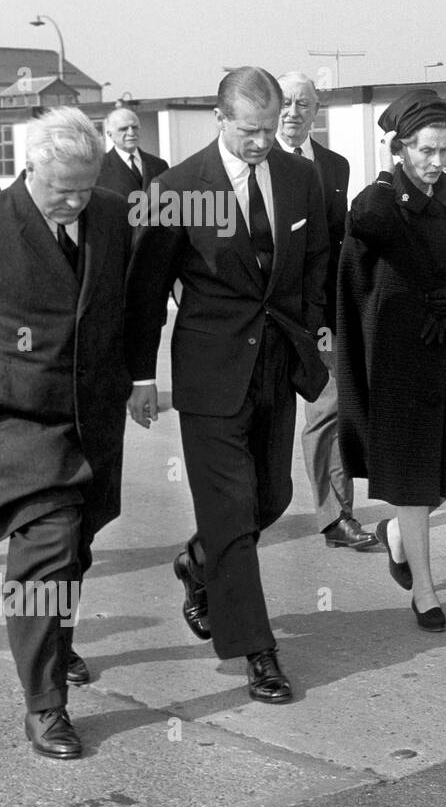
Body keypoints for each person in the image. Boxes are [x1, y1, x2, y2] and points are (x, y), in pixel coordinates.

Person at [126, 67, 329, 704]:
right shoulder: (178, 189)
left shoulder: (300, 178)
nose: (262, 142)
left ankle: (198, 561)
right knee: (230, 515)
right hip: (210, 376)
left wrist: (316, 329)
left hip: (276, 366)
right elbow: (144, 292)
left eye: (270, 130)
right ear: (219, 120)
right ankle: (257, 650)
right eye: (249, 131)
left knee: (269, 497)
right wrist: (139, 374)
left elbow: (317, 260)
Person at [0, 108, 131, 758]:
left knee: (77, 547)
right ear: (29, 167)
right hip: (19, 422)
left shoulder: (114, 214)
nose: (75, 200)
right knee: (46, 548)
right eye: (61, 188)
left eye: (85, 186)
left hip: (94, 418)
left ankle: (58, 645)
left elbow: (130, 305)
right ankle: (44, 708)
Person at [337, 89, 446, 633]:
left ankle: (397, 536)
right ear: (400, 149)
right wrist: (385, 172)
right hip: (398, 359)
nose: (434, 162)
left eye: (443, 151)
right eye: (424, 151)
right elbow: (365, 221)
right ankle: (425, 590)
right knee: (411, 475)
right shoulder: (382, 199)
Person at [274, 72, 379, 553]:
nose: (293, 113)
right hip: (272, 315)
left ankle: (336, 515)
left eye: (303, 105)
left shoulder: (335, 166)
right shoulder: (258, 163)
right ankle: (247, 512)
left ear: (317, 112)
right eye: (285, 103)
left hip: (324, 313)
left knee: (328, 411)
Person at [95, 107, 169, 197]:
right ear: (110, 134)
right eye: (123, 129)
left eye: (134, 127)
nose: (131, 132)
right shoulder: (99, 167)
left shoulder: (159, 165)